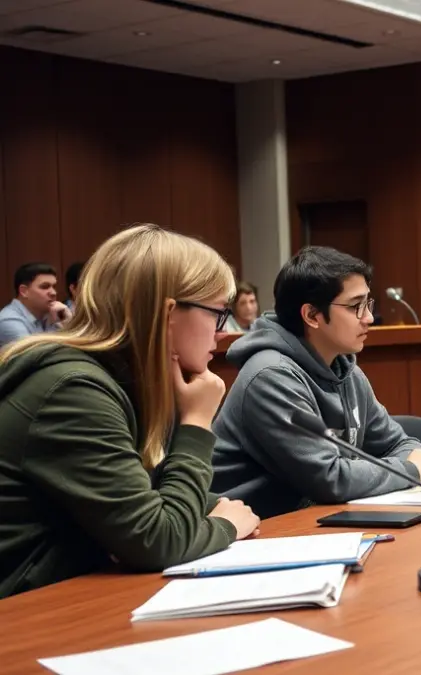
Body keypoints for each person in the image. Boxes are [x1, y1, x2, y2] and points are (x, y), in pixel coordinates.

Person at [0, 224, 260, 598]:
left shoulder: (124, 379)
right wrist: (197, 425)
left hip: (71, 593)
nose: (222, 333)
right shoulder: (73, 390)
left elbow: (150, 496)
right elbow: (157, 540)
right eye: (218, 313)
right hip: (24, 611)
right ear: (167, 314)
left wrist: (211, 509)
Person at [212, 246, 421, 519]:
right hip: (257, 529)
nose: (368, 318)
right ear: (312, 315)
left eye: (368, 304)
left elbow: (398, 444)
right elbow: (329, 479)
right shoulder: (270, 376)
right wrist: (411, 470)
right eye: (355, 307)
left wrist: (418, 463)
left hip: (315, 521)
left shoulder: (345, 369)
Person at [0, 262, 73, 347]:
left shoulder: (48, 314)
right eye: (45, 287)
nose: (54, 293)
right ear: (24, 291)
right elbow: (38, 353)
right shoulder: (9, 321)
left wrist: (70, 323)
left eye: (54, 286)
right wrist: (61, 327)